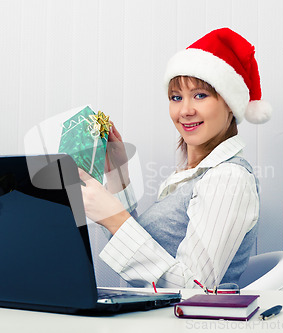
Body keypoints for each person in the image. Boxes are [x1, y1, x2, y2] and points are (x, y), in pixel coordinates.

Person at [78, 27, 272, 289]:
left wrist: (114, 217)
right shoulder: (193, 176)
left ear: (229, 103)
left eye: (200, 95)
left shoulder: (229, 178)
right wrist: (118, 173)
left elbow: (194, 288)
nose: (185, 110)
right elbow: (149, 253)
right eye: (176, 97)